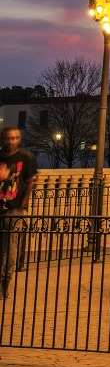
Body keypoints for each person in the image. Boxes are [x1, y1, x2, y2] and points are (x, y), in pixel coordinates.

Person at [0, 126, 39, 298]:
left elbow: (30, 181)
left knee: (11, 249)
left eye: (15, 138)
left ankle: (4, 284)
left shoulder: (26, 157)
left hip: (13, 209)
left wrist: (24, 202)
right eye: (9, 138)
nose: (12, 141)